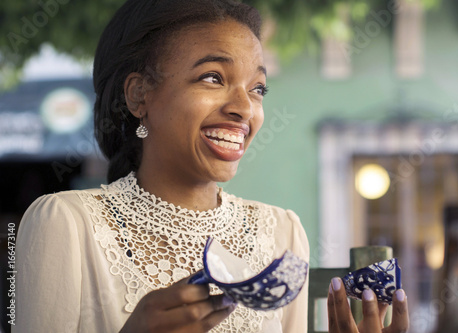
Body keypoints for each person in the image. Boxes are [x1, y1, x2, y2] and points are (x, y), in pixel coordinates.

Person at [14, 0, 409, 332]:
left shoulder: (283, 234)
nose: (244, 109)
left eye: (257, 88)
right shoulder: (65, 222)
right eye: (212, 77)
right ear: (138, 96)